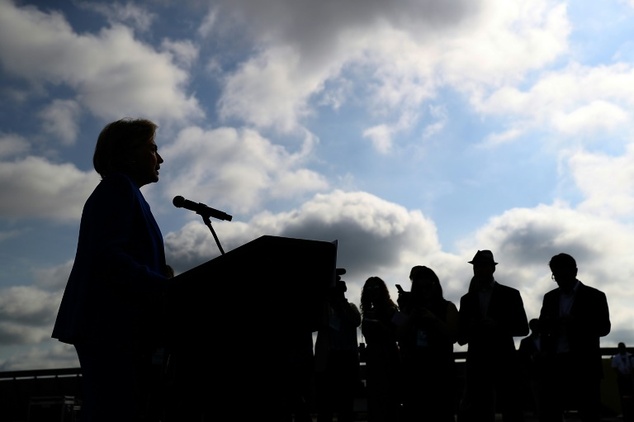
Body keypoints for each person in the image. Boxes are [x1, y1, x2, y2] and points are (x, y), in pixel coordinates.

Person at [52, 118, 172, 422]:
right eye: (152, 148)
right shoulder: (119, 187)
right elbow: (108, 257)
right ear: (128, 152)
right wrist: (162, 286)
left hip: (119, 326)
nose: (160, 158)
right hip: (112, 325)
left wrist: (162, 275)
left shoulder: (127, 191)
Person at [538, 252, 611, 422]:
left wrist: (575, 322)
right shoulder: (550, 298)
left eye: (561, 275)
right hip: (556, 363)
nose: (559, 279)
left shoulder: (595, 296)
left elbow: (604, 328)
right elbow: (541, 326)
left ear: (575, 271)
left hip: (584, 364)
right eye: (556, 276)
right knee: (552, 412)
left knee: (588, 412)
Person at [457, 250, 529, 422]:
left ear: (492, 269)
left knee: (510, 408)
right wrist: (471, 328)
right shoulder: (467, 299)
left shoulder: (510, 295)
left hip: (501, 361)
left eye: (482, 266)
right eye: (476, 266)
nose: (479, 270)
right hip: (481, 363)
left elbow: (523, 328)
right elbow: (461, 336)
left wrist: (497, 326)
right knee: (483, 410)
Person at [397, 265, 459, 422]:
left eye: (428, 286)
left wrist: (434, 319)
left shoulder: (448, 307)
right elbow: (398, 334)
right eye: (420, 287)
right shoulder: (409, 309)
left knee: (442, 413)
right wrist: (410, 316)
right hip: (415, 371)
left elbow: (453, 336)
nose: (425, 291)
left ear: (435, 285)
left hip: (440, 371)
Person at [314, 269, 362, 422]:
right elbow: (318, 322)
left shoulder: (350, 307)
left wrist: (341, 301)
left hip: (346, 358)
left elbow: (355, 320)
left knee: (345, 406)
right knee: (325, 407)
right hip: (329, 359)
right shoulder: (324, 308)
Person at [360, 276, 402, 422]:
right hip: (374, 361)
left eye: (375, 288)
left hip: (388, 359)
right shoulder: (368, 312)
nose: (373, 291)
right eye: (369, 289)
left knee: (389, 402)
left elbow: (399, 333)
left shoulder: (391, 310)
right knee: (376, 403)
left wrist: (380, 326)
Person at [518, 318, 545, 418]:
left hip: (539, 372)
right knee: (537, 394)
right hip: (533, 372)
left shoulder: (526, 342)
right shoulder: (547, 339)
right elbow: (522, 358)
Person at [612, 342, 634, 422]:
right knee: (623, 395)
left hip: (629, 377)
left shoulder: (630, 356)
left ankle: (630, 412)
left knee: (630, 395)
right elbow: (615, 368)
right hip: (622, 378)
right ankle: (625, 412)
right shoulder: (616, 358)